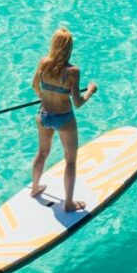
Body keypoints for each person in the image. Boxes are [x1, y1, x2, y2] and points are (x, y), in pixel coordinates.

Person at [29, 27, 100, 211]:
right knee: (70, 160)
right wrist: (90, 91)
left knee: (42, 153)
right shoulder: (73, 71)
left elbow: (35, 86)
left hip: (43, 114)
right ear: (69, 47)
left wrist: (46, 95)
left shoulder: (43, 63)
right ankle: (68, 204)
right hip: (64, 118)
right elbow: (77, 102)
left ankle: (35, 188)